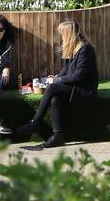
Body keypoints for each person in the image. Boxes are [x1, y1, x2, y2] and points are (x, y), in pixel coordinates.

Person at [15, 19, 99, 149]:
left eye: (62, 34)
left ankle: (35, 122)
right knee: (55, 98)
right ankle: (58, 136)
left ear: (69, 34)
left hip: (85, 89)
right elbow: (65, 71)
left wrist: (56, 81)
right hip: (74, 86)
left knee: (52, 87)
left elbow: (78, 76)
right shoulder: (73, 49)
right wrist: (57, 76)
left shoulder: (85, 49)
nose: (61, 37)